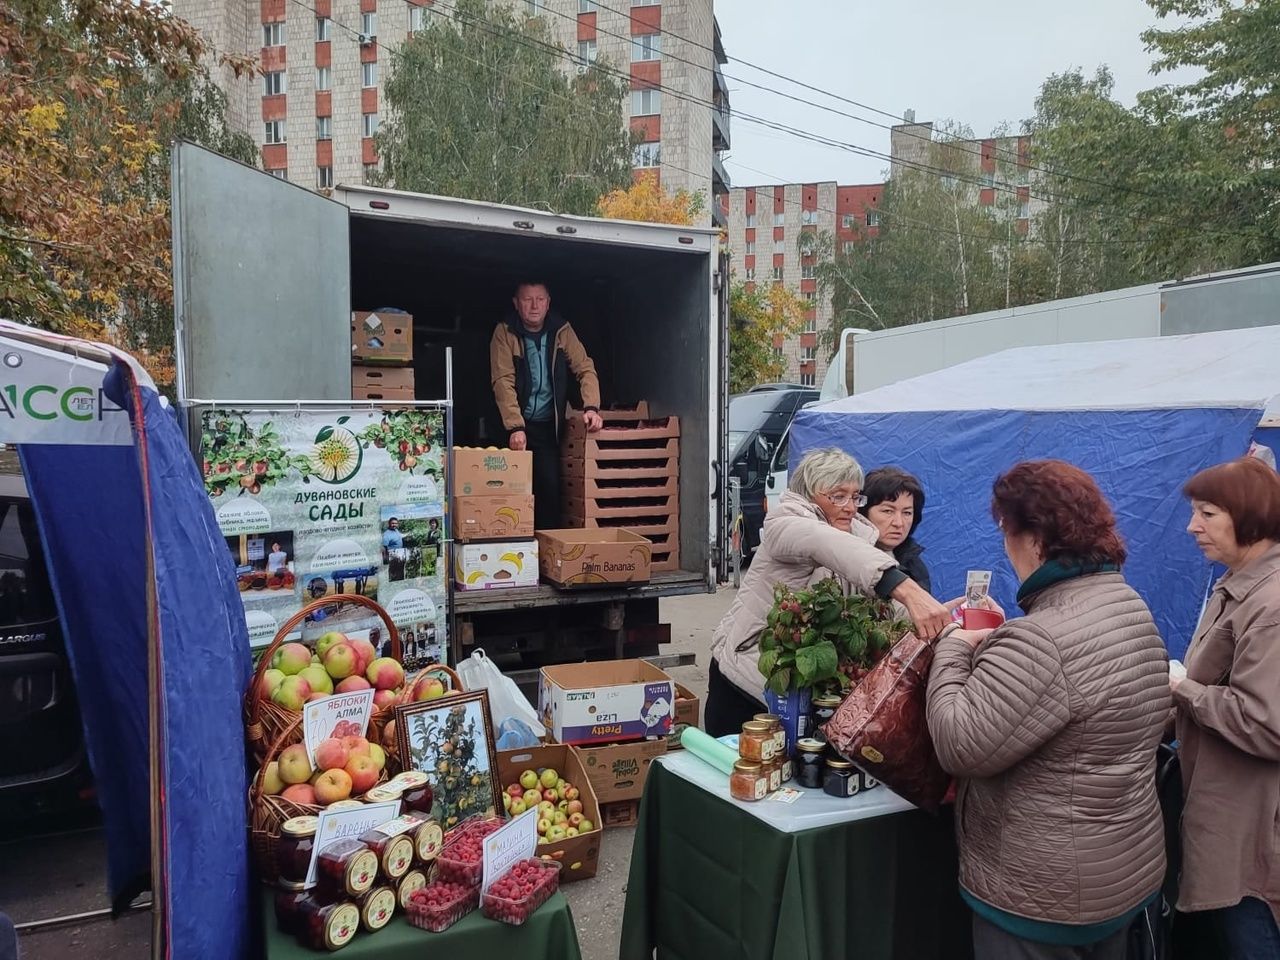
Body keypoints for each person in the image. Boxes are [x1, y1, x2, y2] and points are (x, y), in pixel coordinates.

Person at [926, 459, 1170, 959]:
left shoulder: (1041, 638)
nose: (1004, 544)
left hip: (1043, 897)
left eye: (1005, 530)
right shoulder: (1126, 602)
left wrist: (954, 645)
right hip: (1121, 871)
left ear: (1035, 538)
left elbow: (958, 743)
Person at [706, 448, 948, 736]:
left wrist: (943, 621)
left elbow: (880, 604)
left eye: (855, 496)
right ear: (809, 496)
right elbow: (824, 543)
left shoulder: (857, 535)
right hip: (742, 680)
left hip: (796, 688)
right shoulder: (786, 523)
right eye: (837, 495)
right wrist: (905, 588)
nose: (849, 506)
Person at [1174, 456, 1280, 957]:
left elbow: (1267, 724)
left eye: (1208, 513)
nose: (1192, 526)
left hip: (1254, 836)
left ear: (1251, 516)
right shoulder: (1238, 584)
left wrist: (1183, 688)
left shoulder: (1272, 604)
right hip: (1225, 820)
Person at [490, 281, 602, 530]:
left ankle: (547, 556)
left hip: (548, 428)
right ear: (516, 304)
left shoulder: (562, 330)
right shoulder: (505, 332)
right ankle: (514, 550)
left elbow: (585, 368)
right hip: (515, 427)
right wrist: (515, 427)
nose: (534, 306)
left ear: (548, 303)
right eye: (527, 299)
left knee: (550, 490)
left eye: (540, 299)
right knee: (512, 492)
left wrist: (591, 407)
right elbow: (502, 380)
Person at [859, 466, 931, 594]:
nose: (899, 523)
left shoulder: (913, 563)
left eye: (907, 513)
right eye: (888, 511)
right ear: (863, 512)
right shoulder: (846, 561)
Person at [382, 516, 407, 582]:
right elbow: (384, 548)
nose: (394, 525)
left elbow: (400, 536)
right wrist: (385, 560)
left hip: (399, 555)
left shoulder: (396, 530)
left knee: (400, 572)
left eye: (396, 523)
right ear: (389, 524)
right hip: (392, 557)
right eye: (392, 523)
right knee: (393, 574)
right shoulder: (386, 535)